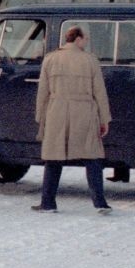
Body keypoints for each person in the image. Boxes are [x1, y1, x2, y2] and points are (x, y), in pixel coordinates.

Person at [33, 24, 113, 213]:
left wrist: (40, 116)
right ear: (78, 39)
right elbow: (100, 92)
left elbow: (42, 92)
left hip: (56, 111)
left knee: (53, 158)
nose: (87, 42)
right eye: (85, 39)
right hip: (84, 110)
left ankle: (48, 202)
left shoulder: (50, 59)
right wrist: (104, 119)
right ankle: (100, 203)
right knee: (92, 157)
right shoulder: (90, 61)